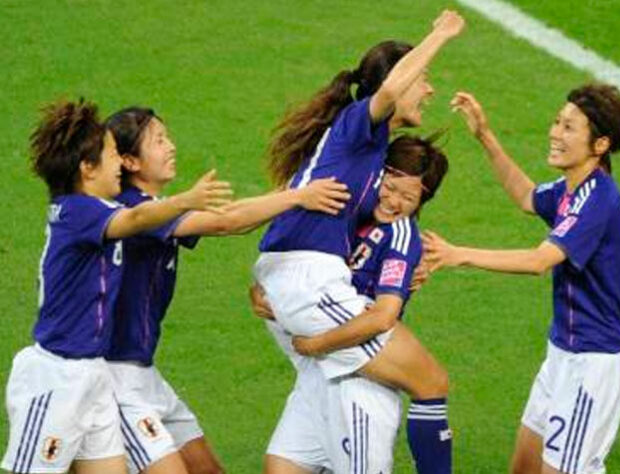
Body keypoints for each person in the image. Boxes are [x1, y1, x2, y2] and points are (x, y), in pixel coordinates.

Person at [253, 10, 464, 473]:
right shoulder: (357, 126)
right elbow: (388, 91)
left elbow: (315, 213)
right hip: (313, 285)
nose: (428, 90)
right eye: (423, 79)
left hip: (300, 280)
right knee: (430, 379)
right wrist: (439, 35)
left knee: (286, 462)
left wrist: (408, 265)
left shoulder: (367, 158)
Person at [103, 106, 351, 474]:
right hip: (115, 377)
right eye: (158, 141)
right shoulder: (134, 211)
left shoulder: (155, 209)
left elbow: (232, 211)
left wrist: (296, 190)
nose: (170, 147)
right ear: (130, 161)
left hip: (143, 373)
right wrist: (297, 198)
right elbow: (226, 223)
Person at [1, 99, 231, 474]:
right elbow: (137, 217)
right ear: (87, 168)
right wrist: (183, 201)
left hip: (93, 375)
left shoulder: (99, 210)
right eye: (111, 155)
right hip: (56, 376)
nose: (118, 165)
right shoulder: (77, 211)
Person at [424, 84, 620, 474]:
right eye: (557, 122)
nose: (555, 133)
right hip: (562, 354)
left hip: (594, 363)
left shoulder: (597, 200)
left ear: (600, 143)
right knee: (524, 466)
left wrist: (459, 254)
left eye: (569, 127)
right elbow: (527, 197)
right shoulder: (572, 189)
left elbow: (540, 261)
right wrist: (485, 136)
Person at [255, 134, 449, 474]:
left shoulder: (400, 238)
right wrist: (272, 297)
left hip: (359, 380)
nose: (392, 201)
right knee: (282, 465)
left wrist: (316, 343)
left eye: (408, 197)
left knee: (432, 382)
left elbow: (382, 317)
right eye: (389, 187)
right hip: (316, 377)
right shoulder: (351, 210)